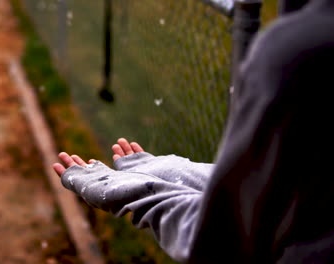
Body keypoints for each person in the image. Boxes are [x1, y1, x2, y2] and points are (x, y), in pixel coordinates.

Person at [52, 0, 334, 263]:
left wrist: (132, 191)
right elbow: (290, 192)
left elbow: (219, 240)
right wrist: (177, 170)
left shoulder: (299, 54)